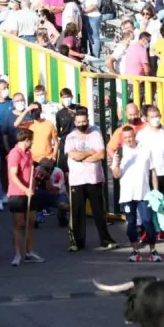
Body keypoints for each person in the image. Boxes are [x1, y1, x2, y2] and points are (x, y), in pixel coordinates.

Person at [65, 108, 117, 252]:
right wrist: (89, 152)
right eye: (79, 122)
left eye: (84, 121)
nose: (82, 124)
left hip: (95, 178)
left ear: (88, 120)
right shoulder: (71, 137)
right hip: (77, 180)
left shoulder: (96, 132)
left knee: (99, 211)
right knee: (77, 212)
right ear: (75, 122)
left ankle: (106, 239)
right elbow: (73, 155)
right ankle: (76, 241)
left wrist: (83, 157)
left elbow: (100, 154)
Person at [113, 126, 161, 262]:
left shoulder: (145, 149)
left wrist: (155, 191)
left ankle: (153, 250)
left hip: (144, 193)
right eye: (126, 137)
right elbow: (116, 175)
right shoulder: (121, 152)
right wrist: (116, 163)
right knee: (131, 223)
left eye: (131, 136)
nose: (128, 140)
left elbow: (153, 171)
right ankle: (135, 251)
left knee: (148, 222)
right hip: (127, 195)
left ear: (135, 136)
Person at [6, 128, 46, 266]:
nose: (32, 143)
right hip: (17, 193)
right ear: (27, 140)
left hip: (30, 191)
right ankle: (17, 254)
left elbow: (29, 172)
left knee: (30, 223)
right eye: (31, 140)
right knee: (18, 225)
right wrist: (24, 189)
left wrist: (34, 180)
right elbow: (13, 175)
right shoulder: (14, 154)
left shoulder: (29, 153)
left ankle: (29, 252)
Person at [136, 105, 164, 242]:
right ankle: (148, 230)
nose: (156, 119)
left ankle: (161, 230)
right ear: (146, 118)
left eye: (158, 116)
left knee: (161, 202)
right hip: (148, 173)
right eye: (152, 117)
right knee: (148, 203)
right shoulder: (141, 134)